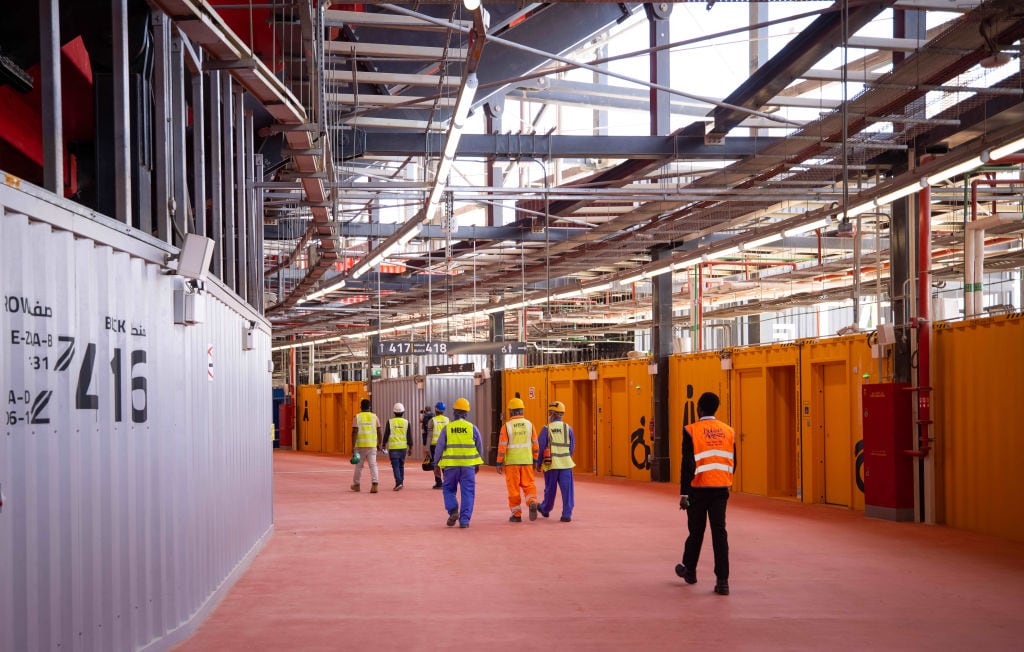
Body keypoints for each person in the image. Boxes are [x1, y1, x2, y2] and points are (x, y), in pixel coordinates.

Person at [676, 391, 736, 596]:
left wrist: (684, 494)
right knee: (720, 533)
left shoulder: (691, 430)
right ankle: (723, 581)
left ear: (699, 408)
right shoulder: (728, 431)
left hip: (698, 489)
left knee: (696, 531)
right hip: (721, 489)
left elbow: (687, 464)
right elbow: (732, 461)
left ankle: (690, 570)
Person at [432, 397, 484, 528]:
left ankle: (453, 510)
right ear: (466, 413)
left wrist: (435, 464)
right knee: (468, 492)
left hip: (451, 467)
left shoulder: (447, 428)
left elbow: (439, 447)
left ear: (454, 412)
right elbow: (480, 447)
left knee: (448, 489)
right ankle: (464, 520)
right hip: (468, 467)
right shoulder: (472, 428)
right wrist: (477, 464)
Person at [496, 397, 539, 522]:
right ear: (522, 411)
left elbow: (502, 446)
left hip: (512, 463)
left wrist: (499, 462)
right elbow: (535, 444)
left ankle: (516, 514)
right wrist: (535, 460)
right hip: (527, 461)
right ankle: (532, 501)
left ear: (511, 412)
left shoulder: (507, 426)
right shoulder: (530, 425)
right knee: (529, 485)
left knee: (513, 488)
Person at [536, 401, 576, 522]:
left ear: (552, 414)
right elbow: (572, 447)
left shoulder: (546, 429)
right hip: (566, 464)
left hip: (551, 465)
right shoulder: (568, 428)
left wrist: (538, 464)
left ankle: (545, 509)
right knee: (567, 490)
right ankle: (566, 515)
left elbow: (541, 448)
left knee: (550, 489)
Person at [350, 398, 382, 493]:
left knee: (359, 466)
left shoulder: (357, 417)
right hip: (372, 445)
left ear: (361, 407)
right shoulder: (375, 417)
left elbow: (354, 432)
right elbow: (379, 430)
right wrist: (379, 443)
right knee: (373, 465)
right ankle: (375, 485)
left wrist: (353, 446)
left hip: (360, 446)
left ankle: (356, 484)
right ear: (369, 407)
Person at [383, 402, 411, 491]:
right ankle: (401, 482)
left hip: (393, 448)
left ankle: (398, 482)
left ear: (394, 412)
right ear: (403, 412)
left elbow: (386, 434)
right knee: (401, 465)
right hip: (403, 448)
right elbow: (409, 436)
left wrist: (383, 444)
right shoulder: (406, 422)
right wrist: (410, 447)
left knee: (395, 465)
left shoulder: (390, 422)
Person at [426, 401, 449, 489]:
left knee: (436, 464)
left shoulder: (432, 421)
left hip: (434, 446)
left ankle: (439, 483)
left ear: (435, 410)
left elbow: (429, 435)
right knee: (444, 464)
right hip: (445, 446)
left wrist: (427, 448)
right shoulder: (447, 420)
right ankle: (447, 482)